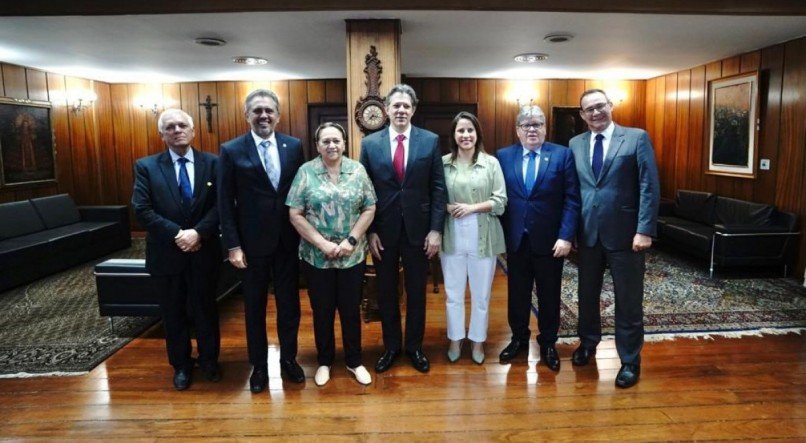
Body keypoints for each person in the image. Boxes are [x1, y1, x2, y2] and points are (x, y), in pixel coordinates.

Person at [569, 89, 660, 388]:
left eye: (600, 106)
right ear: (582, 115)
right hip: (588, 235)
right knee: (586, 297)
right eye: (588, 110)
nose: (595, 113)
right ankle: (587, 344)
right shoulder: (574, 144)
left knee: (629, 300)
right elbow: (575, 190)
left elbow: (649, 186)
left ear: (610, 106)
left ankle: (630, 360)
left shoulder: (636, 138)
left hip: (626, 236)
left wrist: (644, 229)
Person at [218, 89, 304, 393]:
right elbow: (225, 203)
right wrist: (233, 246)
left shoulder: (293, 147)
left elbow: (301, 195)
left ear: (278, 115)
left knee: (289, 306)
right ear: (246, 115)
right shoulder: (230, 150)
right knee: (253, 308)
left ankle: (289, 361)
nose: (263, 115)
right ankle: (259, 367)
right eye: (257, 111)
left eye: (269, 110)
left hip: (288, 243)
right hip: (250, 247)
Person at [359, 83, 447, 374]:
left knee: (416, 292)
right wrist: (369, 231)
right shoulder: (370, 144)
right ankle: (391, 347)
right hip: (382, 232)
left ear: (413, 109)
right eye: (395, 105)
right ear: (386, 109)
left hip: (419, 232)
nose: (400, 110)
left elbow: (437, 188)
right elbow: (365, 191)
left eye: (406, 106)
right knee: (385, 292)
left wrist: (436, 230)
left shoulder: (430, 141)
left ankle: (414, 347)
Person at [132, 108, 221, 390]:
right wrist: (179, 234)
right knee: (172, 314)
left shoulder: (213, 164)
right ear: (162, 135)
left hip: (204, 251)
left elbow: (222, 205)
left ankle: (209, 361)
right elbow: (141, 209)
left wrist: (198, 233)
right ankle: (181, 366)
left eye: (182, 125)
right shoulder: (146, 166)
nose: (177, 130)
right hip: (166, 255)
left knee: (206, 310)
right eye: (169, 127)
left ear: (193, 131)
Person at [287, 122, 377, 386]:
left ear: (345, 143)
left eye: (336, 140)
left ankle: (354, 361)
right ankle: (324, 361)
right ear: (317, 145)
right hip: (317, 257)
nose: (331, 145)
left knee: (350, 310)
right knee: (322, 311)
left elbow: (370, 208)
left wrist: (351, 240)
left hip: (352, 255)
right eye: (325, 141)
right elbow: (294, 213)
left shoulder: (357, 170)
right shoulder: (306, 172)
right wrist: (322, 244)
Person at [496, 105, 580, 371]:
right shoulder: (503, 156)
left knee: (549, 294)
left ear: (545, 127)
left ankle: (548, 343)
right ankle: (519, 339)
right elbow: (499, 199)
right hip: (517, 241)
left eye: (537, 124)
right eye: (526, 124)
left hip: (551, 242)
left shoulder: (562, 155)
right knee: (517, 294)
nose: (532, 129)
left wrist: (566, 236)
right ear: (517, 130)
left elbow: (572, 200)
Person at [440, 112, 506, 365]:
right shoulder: (443, 163)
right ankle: (455, 339)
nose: (465, 135)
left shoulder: (491, 163)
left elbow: (501, 201)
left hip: (483, 234)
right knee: (453, 293)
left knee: (481, 295)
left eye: (470, 130)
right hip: (452, 234)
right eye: (460, 131)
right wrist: (447, 208)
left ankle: (478, 341)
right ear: (454, 135)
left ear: (477, 134)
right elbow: (435, 199)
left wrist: (472, 207)